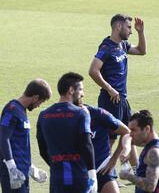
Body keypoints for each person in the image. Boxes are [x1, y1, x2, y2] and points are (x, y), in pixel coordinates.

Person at [89, 13, 147, 168]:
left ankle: (136, 171)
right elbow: (93, 70)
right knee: (110, 139)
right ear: (118, 27)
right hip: (111, 100)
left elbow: (142, 50)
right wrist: (109, 89)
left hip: (122, 99)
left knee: (130, 133)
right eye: (129, 27)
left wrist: (141, 32)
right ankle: (103, 174)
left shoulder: (122, 45)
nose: (131, 31)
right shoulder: (106, 48)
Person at [36, 72, 97, 193]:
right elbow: (86, 144)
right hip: (79, 178)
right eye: (80, 89)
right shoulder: (81, 113)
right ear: (71, 90)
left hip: (57, 179)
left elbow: (42, 149)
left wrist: (56, 164)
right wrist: (92, 175)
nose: (82, 94)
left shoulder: (44, 115)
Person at [0, 79, 51, 193]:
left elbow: (20, 144)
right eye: (40, 102)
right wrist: (12, 168)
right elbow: (3, 138)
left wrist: (30, 167)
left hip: (22, 172)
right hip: (12, 173)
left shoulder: (21, 111)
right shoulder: (11, 109)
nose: (38, 106)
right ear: (35, 97)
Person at [81, 102, 132, 193]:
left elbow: (126, 132)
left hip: (103, 167)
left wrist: (114, 158)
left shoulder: (99, 114)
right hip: (78, 171)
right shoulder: (65, 119)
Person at [119, 110, 159, 193]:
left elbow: (150, 186)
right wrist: (126, 149)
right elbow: (128, 137)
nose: (130, 134)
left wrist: (127, 176)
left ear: (147, 128)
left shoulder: (154, 152)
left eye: (133, 130)